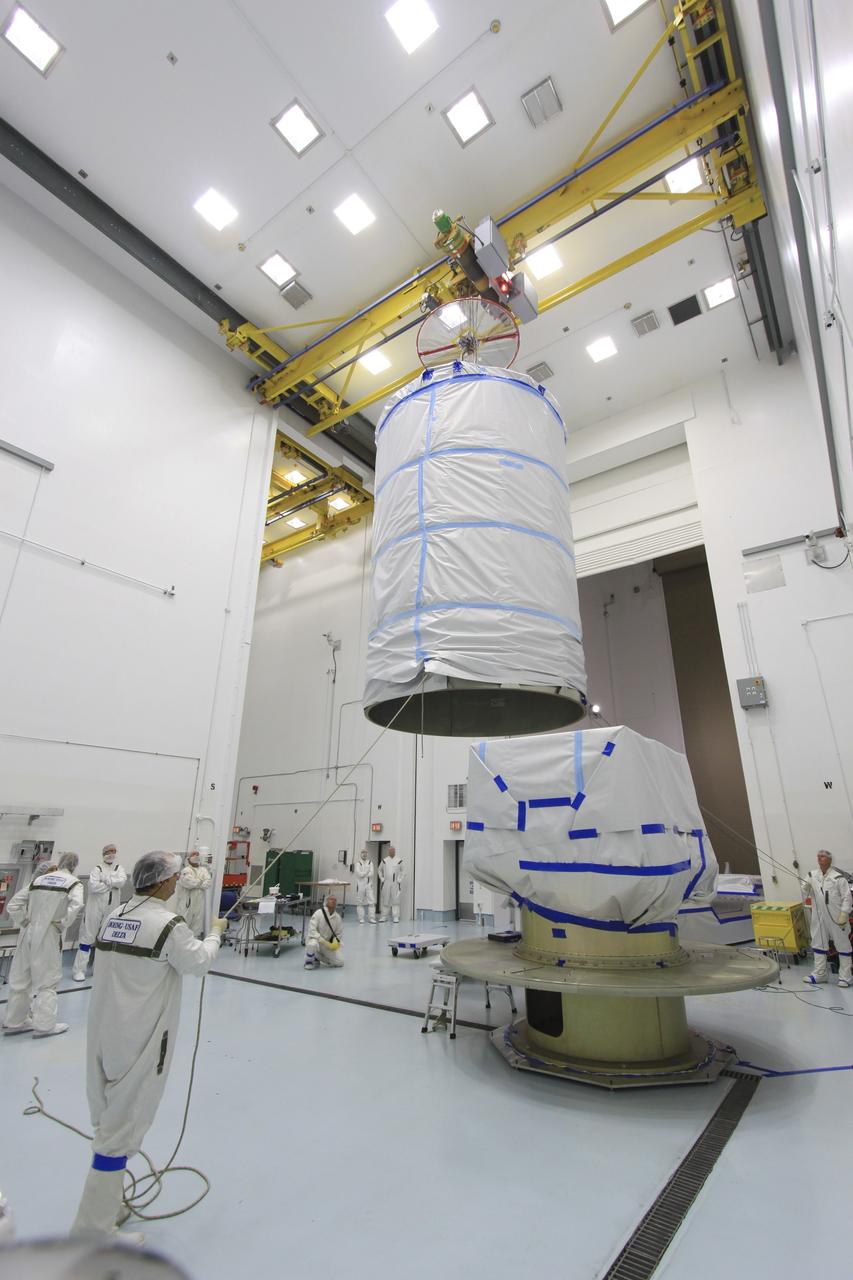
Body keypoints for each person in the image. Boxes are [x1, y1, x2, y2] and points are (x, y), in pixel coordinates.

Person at [70, 851, 227, 1243]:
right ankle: (93, 1234)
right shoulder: (167, 924)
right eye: (172, 876)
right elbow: (198, 963)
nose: (175, 881)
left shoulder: (115, 915)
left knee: (107, 1123)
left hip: (103, 1035)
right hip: (139, 1041)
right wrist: (215, 934)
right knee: (117, 1134)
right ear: (160, 882)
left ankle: (106, 1204)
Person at [2, 852, 83, 1038]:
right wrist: (61, 924)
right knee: (48, 981)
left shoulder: (39, 880)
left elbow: (13, 905)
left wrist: (25, 922)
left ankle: (14, 1021)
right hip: (49, 933)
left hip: (28, 932)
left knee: (20, 979)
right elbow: (77, 905)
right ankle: (44, 1026)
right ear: (74, 865)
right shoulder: (73, 883)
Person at [72, 844, 128, 981]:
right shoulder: (97, 869)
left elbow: (121, 882)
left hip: (111, 907)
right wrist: (111, 884)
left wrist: (106, 880)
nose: (112, 854)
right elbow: (93, 887)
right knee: (87, 937)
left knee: (106, 938)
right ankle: (79, 970)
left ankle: (98, 969)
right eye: (109, 851)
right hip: (94, 908)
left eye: (114, 851)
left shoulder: (119, 868)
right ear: (104, 853)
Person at [802, 849, 853, 987]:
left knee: (843, 945)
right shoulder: (812, 875)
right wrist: (805, 887)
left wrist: (844, 913)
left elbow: (847, 897)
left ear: (830, 860)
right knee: (818, 943)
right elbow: (804, 891)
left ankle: (845, 977)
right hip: (818, 916)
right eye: (818, 856)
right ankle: (820, 974)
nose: (819, 858)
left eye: (823, 856)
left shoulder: (838, 878)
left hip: (836, 916)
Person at [175, 850, 212, 937]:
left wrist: (197, 883)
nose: (196, 856)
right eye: (194, 855)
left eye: (197, 855)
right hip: (187, 904)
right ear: (188, 859)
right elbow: (188, 883)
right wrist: (201, 882)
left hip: (199, 903)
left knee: (197, 926)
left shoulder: (203, 870)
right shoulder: (186, 870)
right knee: (184, 925)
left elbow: (208, 883)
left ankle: (194, 945)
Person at [304, 895, 344, 969]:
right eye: (331, 899)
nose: (333, 901)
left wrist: (335, 941)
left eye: (335, 900)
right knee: (312, 944)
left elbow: (338, 933)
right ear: (326, 902)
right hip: (315, 940)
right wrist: (321, 940)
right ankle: (309, 961)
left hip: (327, 944)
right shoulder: (319, 913)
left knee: (340, 962)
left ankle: (316, 956)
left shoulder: (337, 917)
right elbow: (312, 930)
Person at [377, 846, 404, 923]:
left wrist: (399, 879)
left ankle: (396, 917)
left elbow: (403, 871)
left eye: (393, 850)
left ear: (395, 851)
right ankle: (384, 917)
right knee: (386, 899)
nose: (391, 852)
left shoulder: (399, 860)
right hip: (386, 883)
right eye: (390, 851)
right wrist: (382, 878)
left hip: (395, 883)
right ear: (388, 852)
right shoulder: (384, 860)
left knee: (395, 900)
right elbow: (379, 870)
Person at [354, 849, 376, 924]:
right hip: (360, 885)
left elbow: (372, 873)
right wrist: (366, 871)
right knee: (360, 902)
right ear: (360, 854)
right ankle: (361, 918)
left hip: (369, 885)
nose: (364, 854)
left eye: (365, 853)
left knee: (371, 902)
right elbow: (359, 874)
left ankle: (372, 918)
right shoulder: (358, 863)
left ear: (367, 854)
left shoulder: (370, 862)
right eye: (363, 853)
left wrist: (364, 874)